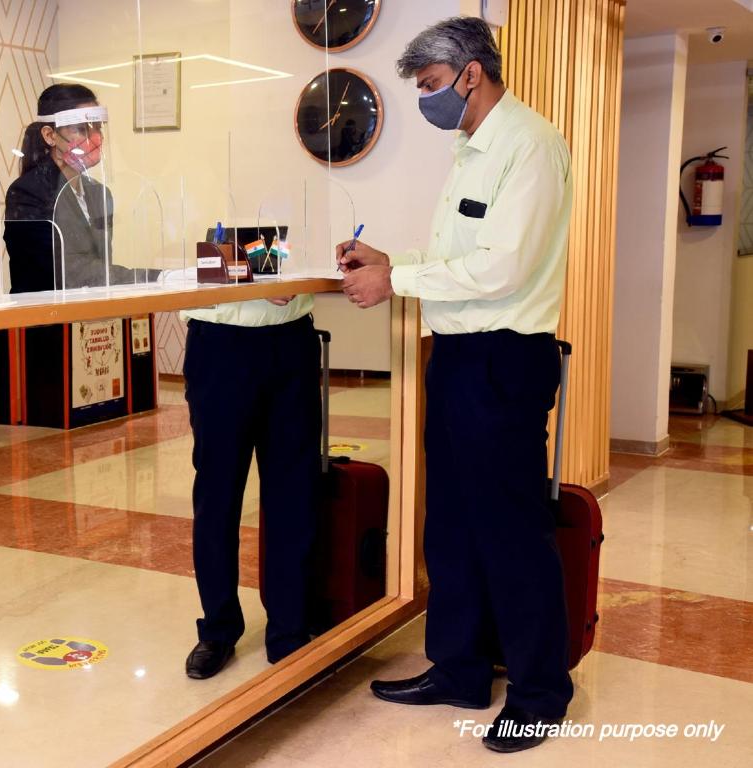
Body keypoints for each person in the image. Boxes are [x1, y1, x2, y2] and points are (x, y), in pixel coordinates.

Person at [336, 17, 574, 754]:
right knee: (453, 524)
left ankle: (538, 692)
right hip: (461, 359)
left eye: (432, 85)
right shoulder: (469, 149)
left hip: (505, 360)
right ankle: (460, 669)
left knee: (508, 531)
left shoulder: (529, 145)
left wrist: (395, 280)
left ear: (471, 73)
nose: (426, 101)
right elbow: (456, 256)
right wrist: (389, 257)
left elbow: (502, 268)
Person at [182, 288, 320, 680]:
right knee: (218, 494)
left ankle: (289, 629)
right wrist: (253, 282)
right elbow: (172, 263)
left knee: (294, 493)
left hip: (291, 340)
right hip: (219, 340)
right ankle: (218, 627)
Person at [4, 83, 140, 292]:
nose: (95, 137)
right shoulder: (27, 193)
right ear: (50, 135)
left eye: (98, 128)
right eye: (81, 129)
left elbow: (101, 267)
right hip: (46, 318)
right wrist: (150, 277)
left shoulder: (99, 193)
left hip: (92, 316)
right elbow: (67, 270)